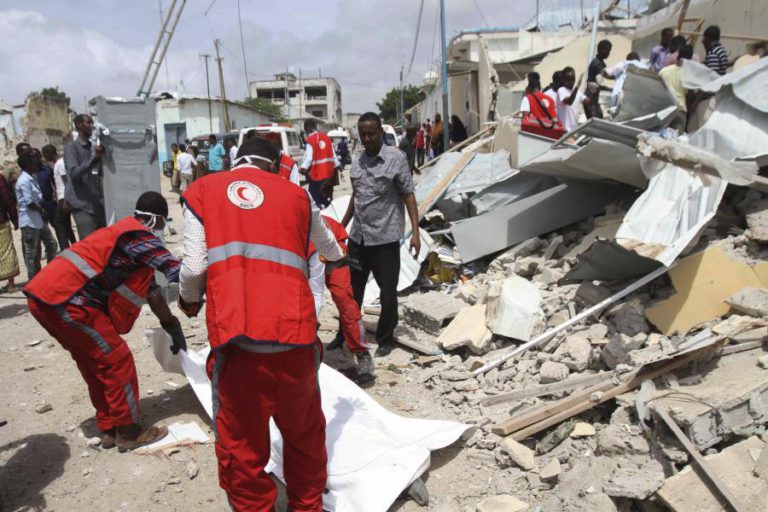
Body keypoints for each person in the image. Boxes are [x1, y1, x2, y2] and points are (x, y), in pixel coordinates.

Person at [178, 137, 345, 511]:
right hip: (295, 341)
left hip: (239, 346)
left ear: (236, 160)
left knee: (241, 449)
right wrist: (334, 257)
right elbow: (330, 247)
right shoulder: (297, 196)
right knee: (304, 438)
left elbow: (193, 267)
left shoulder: (202, 190)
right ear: (274, 165)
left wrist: (189, 300)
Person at [24, 191, 184, 452]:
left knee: (93, 361)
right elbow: (179, 272)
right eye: (164, 223)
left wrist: (172, 326)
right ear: (157, 220)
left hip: (44, 299)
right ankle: (129, 432)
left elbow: (152, 292)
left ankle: (110, 426)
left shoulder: (119, 233)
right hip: (69, 302)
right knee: (117, 360)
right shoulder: (139, 236)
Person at [341, 112, 420, 357]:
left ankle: (386, 338)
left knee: (388, 293)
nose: (367, 139)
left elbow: (408, 195)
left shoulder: (396, 158)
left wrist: (415, 233)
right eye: (363, 134)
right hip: (358, 238)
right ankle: (346, 334)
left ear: (380, 133)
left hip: (385, 238)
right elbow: (357, 196)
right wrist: (341, 226)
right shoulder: (358, 159)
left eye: (371, 134)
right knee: (352, 293)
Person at [311, 214, 375, 384]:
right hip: (305, 251)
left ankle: (361, 352)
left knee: (344, 299)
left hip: (330, 247)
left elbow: (316, 293)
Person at [15, 151, 58, 281]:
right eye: (34, 162)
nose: (36, 164)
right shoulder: (24, 181)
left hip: (37, 220)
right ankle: (33, 281)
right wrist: (42, 210)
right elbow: (29, 203)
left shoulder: (31, 178)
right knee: (31, 255)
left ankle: (48, 273)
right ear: (29, 164)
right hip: (29, 222)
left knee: (52, 244)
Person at [64, 114, 106, 239]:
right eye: (89, 122)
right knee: (89, 244)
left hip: (97, 204)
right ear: (79, 125)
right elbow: (75, 174)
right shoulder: (71, 148)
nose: (92, 126)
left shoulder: (93, 147)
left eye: (92, 122)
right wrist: (94, 159)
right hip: (82, 205)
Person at [300, 119, 341, 209]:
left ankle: (322, 215)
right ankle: (330, 211)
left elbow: (309, 158)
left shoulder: (310, 139)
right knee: (327, 196)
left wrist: (302, 168)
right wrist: (338, 165)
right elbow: (333, 154)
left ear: (308, 129)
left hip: (317, 174)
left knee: (315, 197)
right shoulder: (326, 137)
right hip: (329, 174)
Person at [660, 44, 694, 129]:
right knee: (677, 139)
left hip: (664, 109)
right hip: (680, 110)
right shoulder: (688, 75)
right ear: (690, 59)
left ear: (678, 56)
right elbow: (689, 95)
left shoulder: (664, 71)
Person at [50, 145, 77, 250]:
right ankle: (74, 246)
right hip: (62, 197)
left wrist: (66, 199)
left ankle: (65, 248)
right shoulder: (58, 163)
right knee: (66, 224)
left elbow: (67, 182)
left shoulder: (60, 163)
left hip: (64, 198)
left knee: (59, 223)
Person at [520, 72, 562, 138]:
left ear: (529, 88)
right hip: (548, 134)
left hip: (533, 134)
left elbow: (525, 118)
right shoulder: (550, 99)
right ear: (540, 88)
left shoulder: (527, 98)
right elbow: (554, 119)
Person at [585, 39, 616, 119]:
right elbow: (605, 75)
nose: (609, 53)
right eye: (608, 51)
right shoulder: (597, 64)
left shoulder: (599, 62)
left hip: (594, 97)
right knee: (595, 121)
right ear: (602, 50)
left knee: (598, 119)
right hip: (591, 97)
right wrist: (618, 77)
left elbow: (600, 84)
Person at [0, 170, 19, 292]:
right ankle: (11, 284)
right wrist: (14, 219)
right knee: (7, 251)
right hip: (1, 221)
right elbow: (7, 199)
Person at [556, 67, 591, 132]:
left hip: (573, 131)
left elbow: (588, 102)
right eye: (569, 80)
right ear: (563, 80)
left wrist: (595, 92)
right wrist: (577, 87)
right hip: (563, 130)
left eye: (573, 79)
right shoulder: (561, 90)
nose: (571, 82)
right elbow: (569, 102)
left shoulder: (577, 93)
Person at [37, 146, 58, 229]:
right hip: (38, 204)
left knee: (57, 226)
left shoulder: (47, 169)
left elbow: (55, 182)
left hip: (50, 202)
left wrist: (55, 194)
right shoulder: (29, 173)